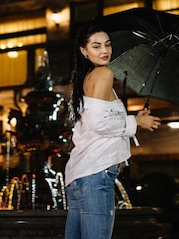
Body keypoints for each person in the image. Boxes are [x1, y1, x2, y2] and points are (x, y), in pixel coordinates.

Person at [64, 22, 161, 239]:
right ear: (84, 50)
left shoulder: (84, 78)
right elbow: (99, 124)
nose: (105, 51)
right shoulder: (104, 73)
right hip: (95, 172)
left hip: (79, 175)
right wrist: (136, 123)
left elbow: (93, 121)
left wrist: (134, 118)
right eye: (96, 46)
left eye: (107, 45)